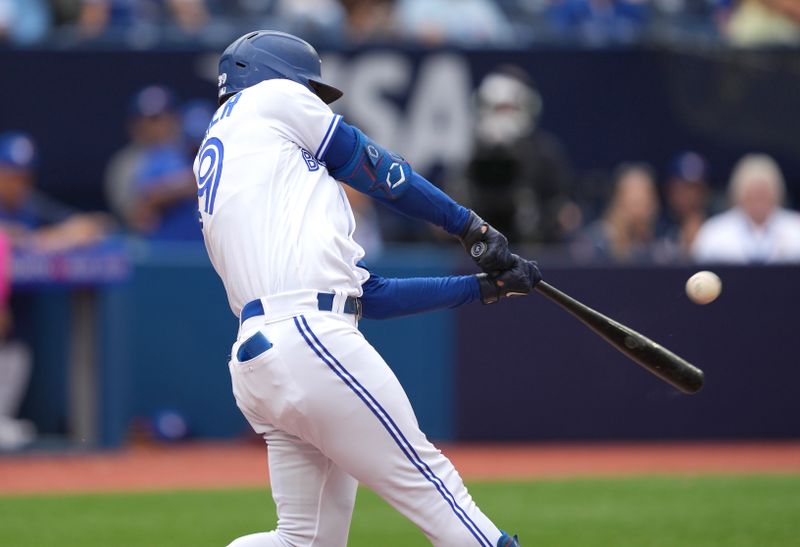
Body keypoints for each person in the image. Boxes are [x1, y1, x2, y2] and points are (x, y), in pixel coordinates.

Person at [196, 31, 540, 546]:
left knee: (302, 541)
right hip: (308, 338)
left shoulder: (240, 152)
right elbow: (374, 166)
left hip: (263, 356)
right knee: (438, 492)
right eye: (309, 89)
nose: (314, 101)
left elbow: (368, 294)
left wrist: (481, 288)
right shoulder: (269, 97)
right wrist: (470, 226)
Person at [691, 153, 800, 263]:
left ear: (777, 193)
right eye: (752, 192)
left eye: (764, 191)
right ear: (739, 194)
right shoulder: (714, 231)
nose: (759, 198)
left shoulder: (796, 228)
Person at [571, 163, 662, 263]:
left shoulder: (662, 241)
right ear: (617, 201)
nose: (638, 211)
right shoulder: (597, 239)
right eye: (633, 203)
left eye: (644, 202)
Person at [662, 151, 711, 261]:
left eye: (694, 188)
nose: (689, 195)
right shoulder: (658, 226)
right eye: (681, 188)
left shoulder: (717, 226)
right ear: (670, 190)